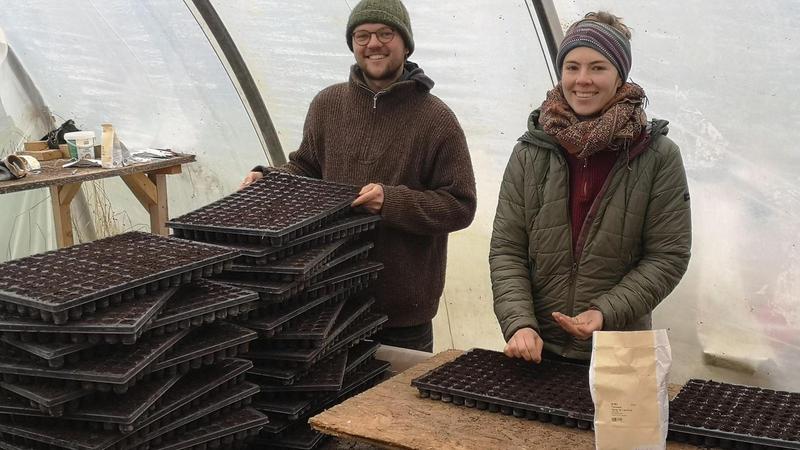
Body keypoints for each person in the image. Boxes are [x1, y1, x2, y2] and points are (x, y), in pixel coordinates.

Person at [240, 0, 476, 352]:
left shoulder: (435, 118)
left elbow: (460, 205)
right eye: (362, 35)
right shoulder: (328, 104)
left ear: (406, 44)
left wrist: (391, 201)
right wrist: (268, 179)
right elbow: (306, 169)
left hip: (402, 314)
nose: (374, 44)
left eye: (385, 33)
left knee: (399, 407)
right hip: (331, 301)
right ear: (352, 44)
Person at [489, 11, 691, 363]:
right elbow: (508, 249)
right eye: (572, 67)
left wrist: (604, 312)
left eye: (598, 67)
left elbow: (667, 256)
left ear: (619, 76)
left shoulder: (657, 155)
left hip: (618, 350)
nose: (583, 80)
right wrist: (520, 324)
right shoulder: (530, 151)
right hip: (539, 348)